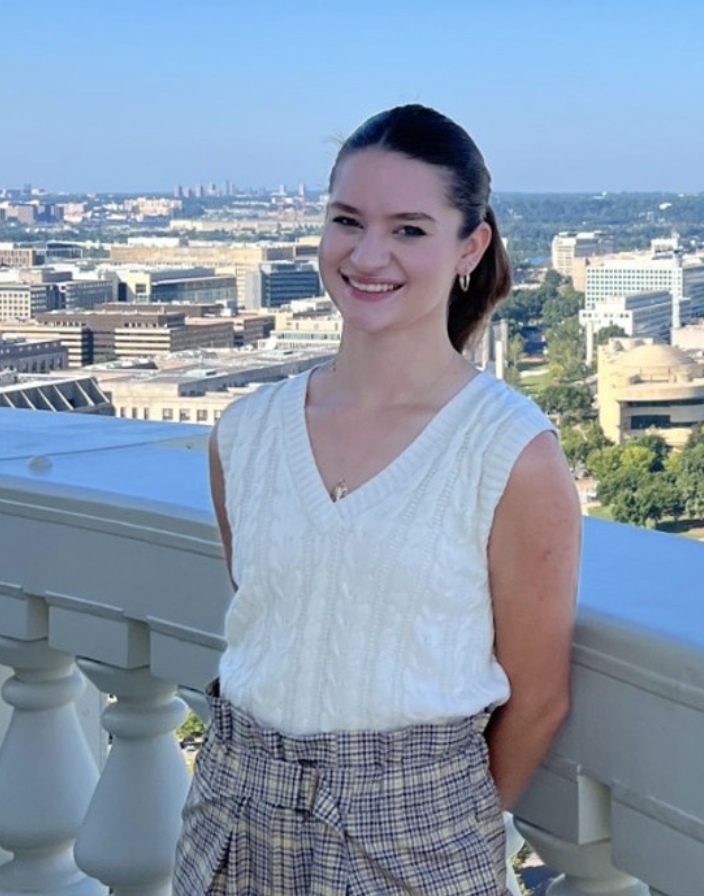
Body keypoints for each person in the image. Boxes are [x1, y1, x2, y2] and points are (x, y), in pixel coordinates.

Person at [175, 104, 580, 894]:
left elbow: (538, 701)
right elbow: (280, 618)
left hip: (416, 833)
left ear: (471, 247)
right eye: (347, 220)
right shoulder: (246, 433)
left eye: (409, 230)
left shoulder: (510, 452)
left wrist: (429, 821)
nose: (368, 255)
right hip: (231, 813)